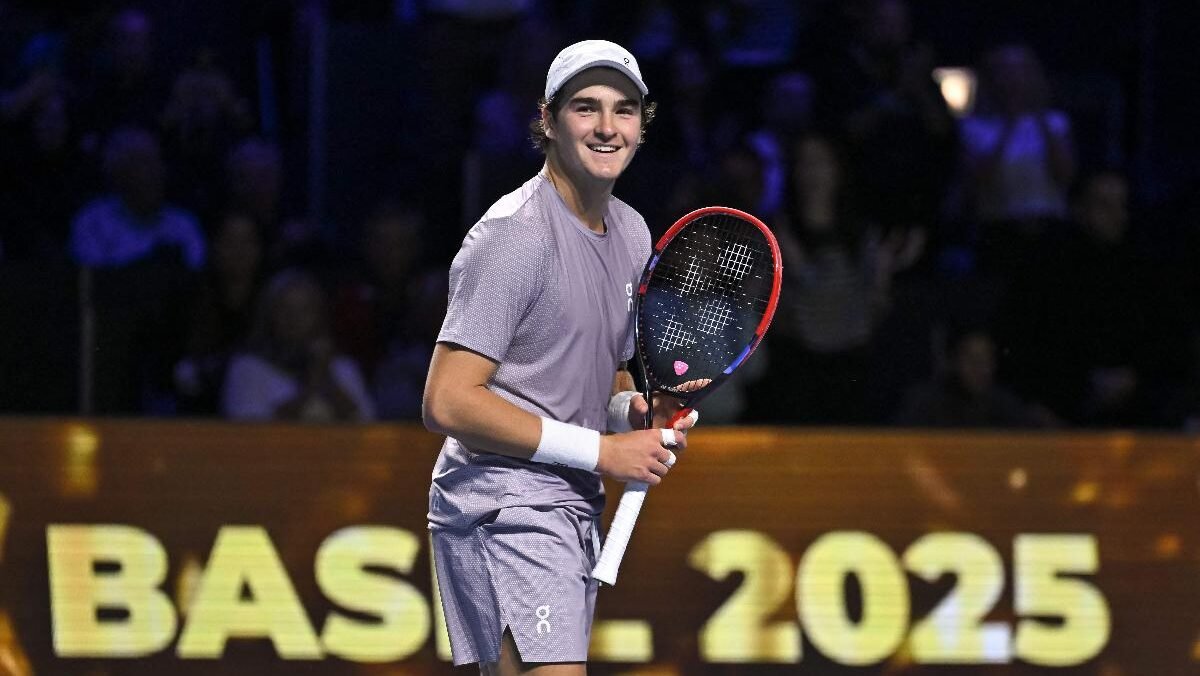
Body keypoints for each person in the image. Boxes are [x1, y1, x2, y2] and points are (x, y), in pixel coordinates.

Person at [422, 39, 697, 673]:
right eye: (586, 108)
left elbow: (601, 372)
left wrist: (633, 411)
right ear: (546, 121)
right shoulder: (514, 236)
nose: (607, 128)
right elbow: (447, 400)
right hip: (501, 502)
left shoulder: (631, 232)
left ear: (641, 127)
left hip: (567, 502)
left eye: (624, 111)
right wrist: (603, 452)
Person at [222, 268, 375, 422]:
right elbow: (247, 430)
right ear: (269, 314)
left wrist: (327, 380)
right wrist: (311, 385)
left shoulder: (343, 368)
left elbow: (366, 423)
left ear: (319, 315)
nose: (294, 319)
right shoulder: (248, 368)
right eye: (284, 309)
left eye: (305, 310)